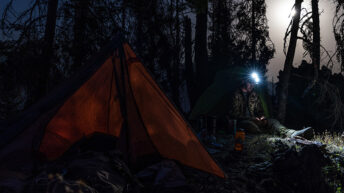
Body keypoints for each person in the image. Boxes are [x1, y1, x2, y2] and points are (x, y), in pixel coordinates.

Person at [230, 78, 313, 139]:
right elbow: (235, 114)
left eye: (254, 83)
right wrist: (251, 119)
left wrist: (262, 117)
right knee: (250, 125)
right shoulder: (236, 95)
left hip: (256, 120)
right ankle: (265, 137)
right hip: (243, 122)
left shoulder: (254, 95)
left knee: (274, 121)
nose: (252, 85)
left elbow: (260, 110)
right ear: (244, 81)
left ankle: (292, 133)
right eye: (250, 83)